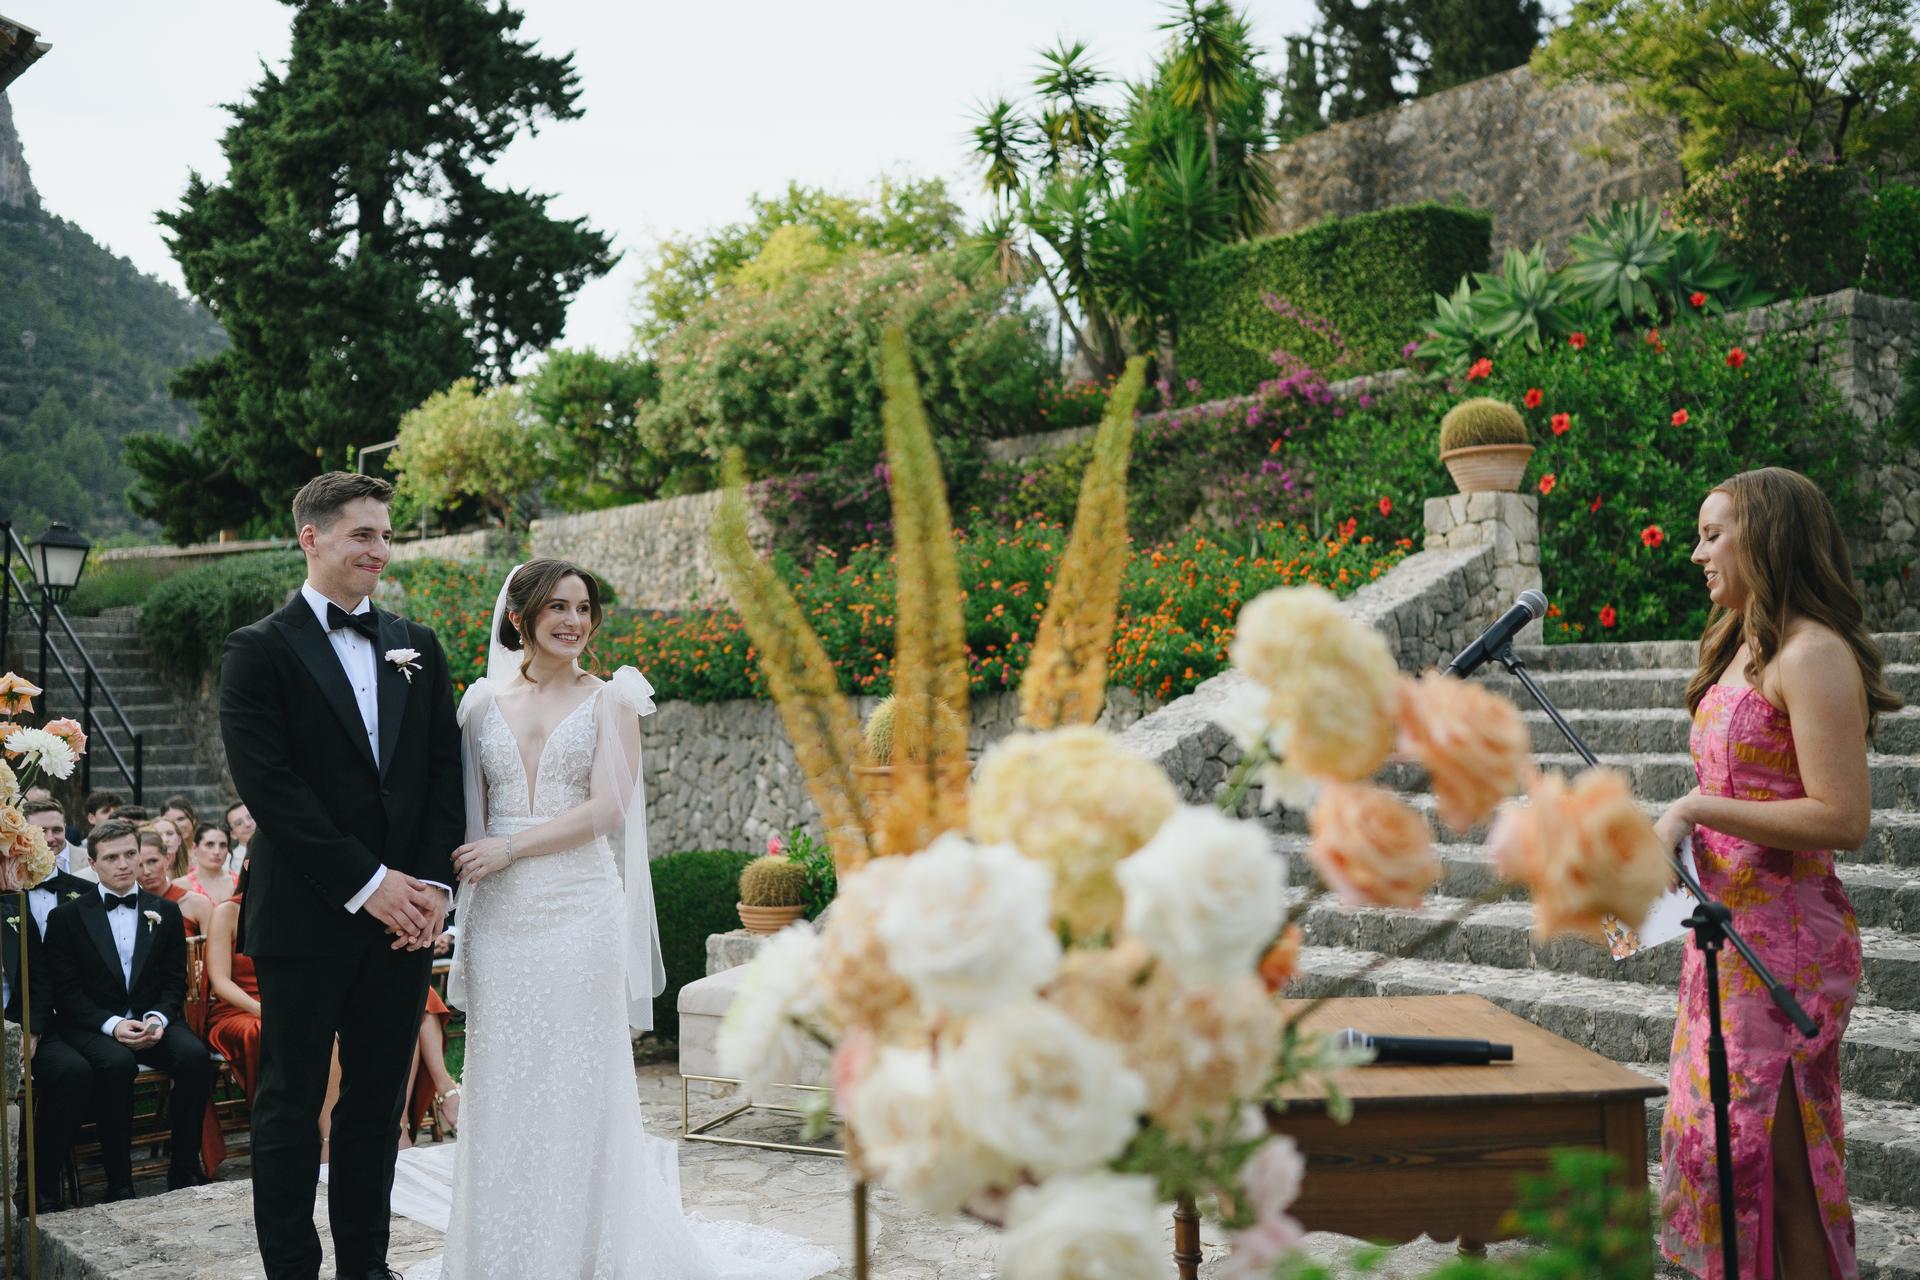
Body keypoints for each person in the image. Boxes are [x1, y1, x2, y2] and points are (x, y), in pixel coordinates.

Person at [407, 559, 835, 1280]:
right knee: (506, 1081)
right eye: (558, 608)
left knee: (583, 1081)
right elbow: (469, 821)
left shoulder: (614, 700)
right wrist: (459, 899)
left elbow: (607, 809)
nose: (575, 622)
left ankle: (593, 1251)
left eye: (584, 608)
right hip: (503, 920)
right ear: (521, 618)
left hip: (580, 909)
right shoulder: (478, 703)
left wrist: (509, 847)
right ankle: (503, 1252)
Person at [1653, 468, 1900, 1280]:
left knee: (1781, 1169)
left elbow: (1842, 818)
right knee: (1723, 1158)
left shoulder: (1813, 654)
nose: (1697, 553)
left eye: (1713, 533)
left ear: (1767, 537)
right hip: (1724, 942)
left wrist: (1697, 809)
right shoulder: (1737, 647)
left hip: (1787, 948)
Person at [218, 471, 462, 1280]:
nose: (380, 551)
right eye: (363, 534)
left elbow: (439, 772)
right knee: (290, 1102)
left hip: (406, 924)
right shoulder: (256, 649)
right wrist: (371, 884)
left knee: (376, 1100)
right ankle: (291, 1268)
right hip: (306, 915)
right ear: (310, 537)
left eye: (386, 535)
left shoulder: (417, 645)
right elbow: (272, 789)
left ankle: (366, 1265)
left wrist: (429, 889)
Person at [42, 819, 214, 1198]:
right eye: (111, 857)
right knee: (115, 1065)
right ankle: (120, 1181)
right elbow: (66, 993)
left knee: (194, 1057)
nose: (122, 864)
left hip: (154, 1018)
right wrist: (114, 1025)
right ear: (93, 862)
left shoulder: (164, 913)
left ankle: (183, 1171)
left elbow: (174, 981)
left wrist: (158, 1018)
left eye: (130, 855)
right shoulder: (68, 917)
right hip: (95, 1025)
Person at [5, 835, 96, 1212]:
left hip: (20, 1026)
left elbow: (39, 978)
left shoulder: (13, 907)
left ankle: (42, 1184)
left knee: (73, 1072)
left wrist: (31, 1031)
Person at [136, 831, 211, 936]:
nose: (147, 871)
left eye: (152, 861)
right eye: (139, 865)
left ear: (167, 859)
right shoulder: (128, 907)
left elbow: (214, 950)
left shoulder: (197, 903)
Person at [176, 822, 236, 905]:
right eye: (210, 845)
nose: (217, 852)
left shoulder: (239, 882)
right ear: (195, 848)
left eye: (223, 845)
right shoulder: (179, 886)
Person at [22, 797, 74, 875]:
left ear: (65, 827)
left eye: (57, 830)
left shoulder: (91, 860)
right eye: (41, 831)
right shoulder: (12, 866)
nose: (50, 839)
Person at [225, 799, 255, 873]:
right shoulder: (229, 861)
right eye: (239, 823)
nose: (247, 824)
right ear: (233, 834)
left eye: (250, 817)